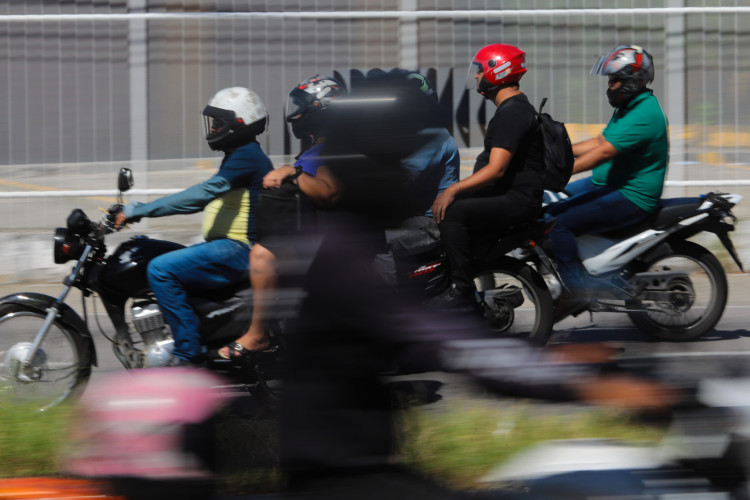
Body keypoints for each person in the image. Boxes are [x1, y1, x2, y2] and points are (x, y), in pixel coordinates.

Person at [115, 86, 274, 366]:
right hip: (226, 246)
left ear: (239, 124)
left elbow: (200, 196)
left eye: (218, 122)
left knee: (161, 269)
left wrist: (141, 210)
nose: (212, 128)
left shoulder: (247, 156)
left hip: (239, 248)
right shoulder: (240, 155)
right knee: (151, 253)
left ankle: (188, 355)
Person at [218, 75, 344, 361]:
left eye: (301, 105)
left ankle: (258, 334)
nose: (295, 113)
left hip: (326, 238)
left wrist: (293, 173)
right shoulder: (318, 147)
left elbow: (330, 193)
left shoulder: (332, 150)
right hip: (313, 231)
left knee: (263, 256)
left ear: (321, 109)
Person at [546, 44, 669, 303]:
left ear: (633, 82)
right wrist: (557, 153)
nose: (609, 85)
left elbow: (603, 153)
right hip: (605, 183)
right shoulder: (630, 106)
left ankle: (578, 289)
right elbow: (599, 142)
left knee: (559, 224)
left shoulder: (644, 114)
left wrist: (560, 172)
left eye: (614, 80)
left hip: (630, 195)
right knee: (546, 204)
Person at [428, 43, 545, 312]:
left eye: (480, 71)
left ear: (498, 71)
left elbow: (497, 169)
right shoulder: (512, 109)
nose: (477, 77)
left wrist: (453, 191)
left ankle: (463, 292)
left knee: (451, 212)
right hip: (511, 195)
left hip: (517, 199)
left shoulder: (513, 111)